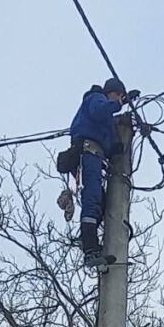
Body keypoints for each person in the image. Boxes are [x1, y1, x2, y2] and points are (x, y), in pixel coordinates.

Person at [69, 77, 127, 267]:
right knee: (92, 200)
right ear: (110, 91)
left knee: (102, 204)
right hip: (88, 154)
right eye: (117, 94)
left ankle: (87, 239)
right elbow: (99, 110)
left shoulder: (106, 119)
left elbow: (108, 141)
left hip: (96, 156)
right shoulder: (96, 98)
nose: (118, 98)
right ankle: (90, 249)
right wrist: (118, 104)